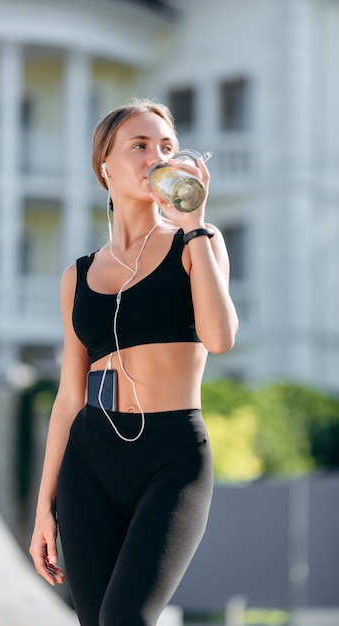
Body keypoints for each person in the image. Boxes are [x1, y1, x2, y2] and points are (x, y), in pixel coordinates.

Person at [29, 98, 238, 626]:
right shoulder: (76, 276)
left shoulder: (198, 244)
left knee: (125, 618)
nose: (155, 156)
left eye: (166, 146)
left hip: (172, 459)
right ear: (105, 166)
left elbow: (220, 338)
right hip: (90, 462)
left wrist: (193, 222)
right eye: (139, 145)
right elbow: (69, 398)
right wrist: (42, 510)